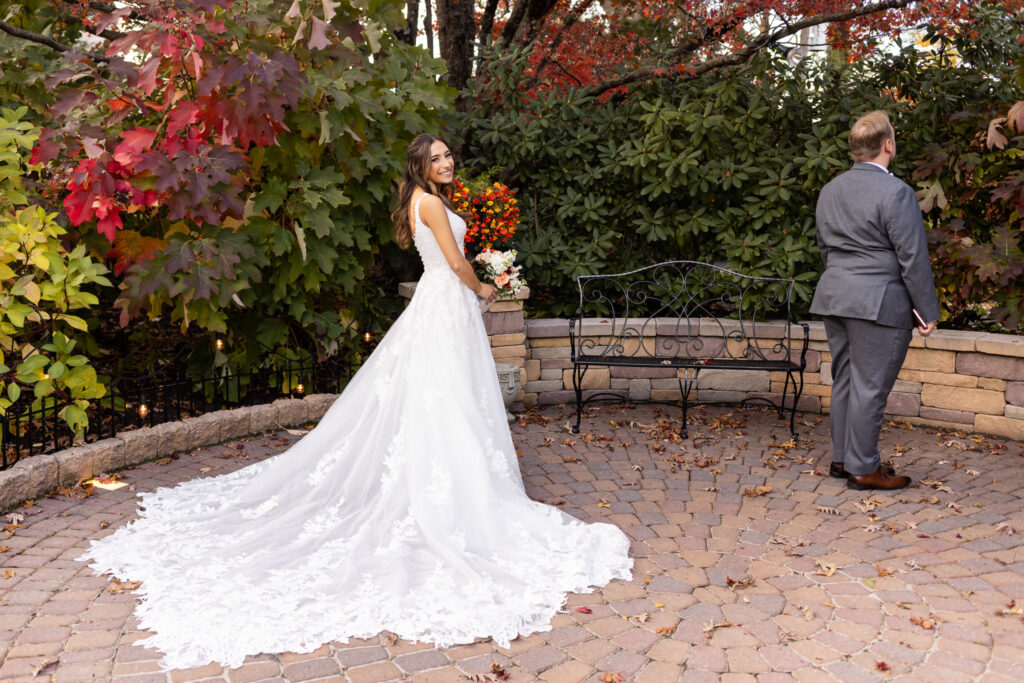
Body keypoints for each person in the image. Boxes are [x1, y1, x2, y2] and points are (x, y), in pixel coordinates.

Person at [83, 134, 633, 670]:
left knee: (441, 393)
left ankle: (447, 470)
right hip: (447, 301)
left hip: (440, 305)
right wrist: (487, 289)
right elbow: (456, 265)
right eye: (435, 158)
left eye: (448, 156)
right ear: (419, 165)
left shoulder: (425, 201)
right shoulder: (433, 207)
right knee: (446, 392)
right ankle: (450, 483)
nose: (446, 163)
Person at [810, 110, 940, 491]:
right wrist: (926, 312)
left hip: (836, 296)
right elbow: (912, 257)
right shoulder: (896, 192)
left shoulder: (830, 190)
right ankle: (864, 469)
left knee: (846, 380)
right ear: (888, 145)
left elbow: (824, 248)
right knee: (870, 386)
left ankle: (842, 459)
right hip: (879, 303)